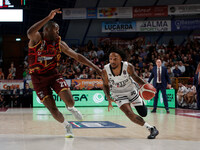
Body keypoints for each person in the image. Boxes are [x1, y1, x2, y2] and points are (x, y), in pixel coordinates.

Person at [27, 9, 101, 138]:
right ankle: (67, 125)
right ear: (47, 30)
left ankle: (71, 109)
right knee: (53, 109)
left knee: (70, 101)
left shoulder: (60, 44)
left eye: (58, 29)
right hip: (38, 78)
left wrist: (97, 68)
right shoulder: (37, 39)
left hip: (53, 74)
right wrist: (48, 17)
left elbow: (77, 56)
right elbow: (30, 32)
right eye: (56, 29)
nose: (58, 31)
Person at [102, 49, 159, 139]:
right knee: (129, 113)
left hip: (131, 91)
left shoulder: (128, 66)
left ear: (121, 59)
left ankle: (141, 102)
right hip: (118, 94)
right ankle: (151, 128)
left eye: (115, 59)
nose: (112, 61)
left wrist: (146, 86)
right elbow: (105, 85)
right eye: (110, 59)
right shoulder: (105, 70)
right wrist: (108, 98)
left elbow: (135, 77)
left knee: (143, 113)